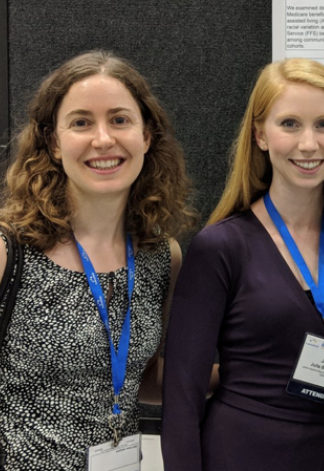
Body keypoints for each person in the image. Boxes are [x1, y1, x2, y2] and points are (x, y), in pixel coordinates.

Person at [161, 58, 324, 471]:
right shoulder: (221, 248)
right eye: (289, 124)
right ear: (260, 135)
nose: (308, 144)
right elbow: (182, 393)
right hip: (240, 453)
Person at [0, 50, 196, 470]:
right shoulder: (7, 253)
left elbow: (138, 379)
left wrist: (255, 374)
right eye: (82, 122)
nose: (103, 139)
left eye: (120, 119)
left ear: (147, 136)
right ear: (53, 142)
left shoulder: (161, 257)